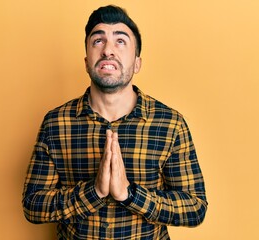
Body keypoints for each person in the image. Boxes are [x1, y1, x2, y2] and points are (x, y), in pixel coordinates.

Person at [22, 5, 207, 240]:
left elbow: (195, 208)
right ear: (87, 60)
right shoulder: (55, 123)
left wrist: (130, 195)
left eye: (120, 41)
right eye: (98, 41)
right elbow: (33, 205)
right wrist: (94, 192)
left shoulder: (170, 124)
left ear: (137, 63)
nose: (108, 50)